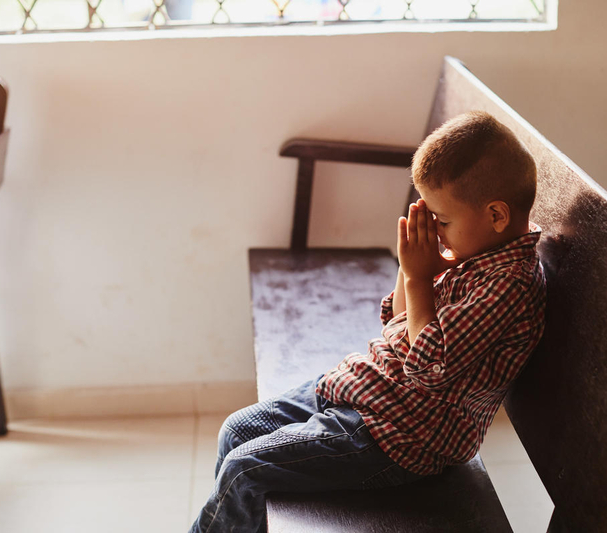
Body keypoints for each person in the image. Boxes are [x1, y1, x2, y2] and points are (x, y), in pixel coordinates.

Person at [188, 111, 547, 533]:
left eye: (442, 221)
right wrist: (416, 269)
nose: (436, 231)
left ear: (498, 216)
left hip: (400, 437)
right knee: (237, 431)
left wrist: (418, 276)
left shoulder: (509, 285)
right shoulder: (481, 247)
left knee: (243, 471)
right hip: (372, 391)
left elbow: (430, 366)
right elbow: (397, 319)